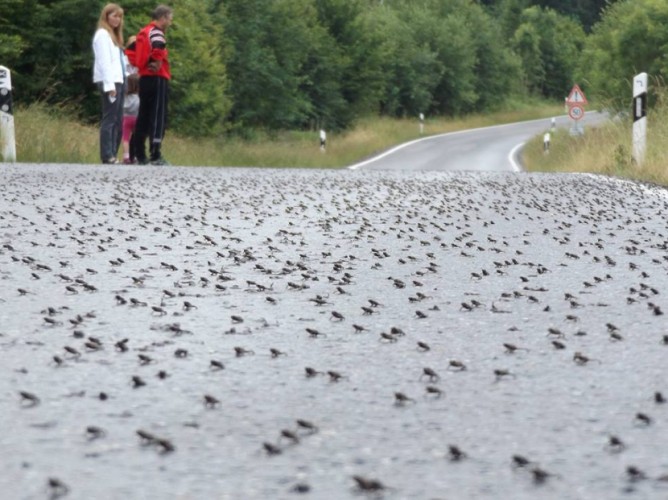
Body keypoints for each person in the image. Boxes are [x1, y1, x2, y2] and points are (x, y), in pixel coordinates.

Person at [130, 5, 173, 166]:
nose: (170, 21)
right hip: (157, 77)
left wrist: (141, 66)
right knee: (158, 115)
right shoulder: (156, 32)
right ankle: (155, 153)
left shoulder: (143, 32)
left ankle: (138, 153)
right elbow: (158, 48)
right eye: (169, 18)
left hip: (145, 78)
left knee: (144, 114)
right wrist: (155, 61)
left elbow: (130, 52)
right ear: (162, 18)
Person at [92, 3, 126, 164]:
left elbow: (119, 62)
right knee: (110, 118)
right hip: (110, 81)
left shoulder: (114, 36)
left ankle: (113, 152)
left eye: (119, 16)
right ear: (106, 16)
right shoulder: (102, 35)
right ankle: (107, 154)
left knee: (118, 120)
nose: (117, 19)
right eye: (114, 16)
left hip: (119, 80)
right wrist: (109, 85)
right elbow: (104, 62)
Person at [122, 73, 139, 164]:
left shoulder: (125, 96)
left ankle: (126, 156)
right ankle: (135, 156)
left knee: (125, 139)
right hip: (136, 118)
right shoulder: (139, 97)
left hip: (126, 119)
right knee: (136, 138)